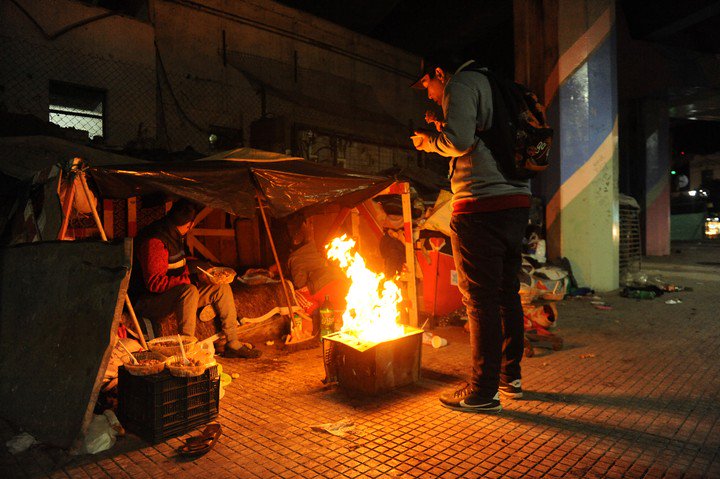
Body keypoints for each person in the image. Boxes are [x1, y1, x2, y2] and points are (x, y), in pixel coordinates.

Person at [411, 54, 530, 412]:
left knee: (479, 301)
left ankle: (482, 391)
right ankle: (511, 379)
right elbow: (482, 133)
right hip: (517, 202)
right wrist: (442, 121)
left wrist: (429, 141)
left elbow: (460, 142)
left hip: (481, 205)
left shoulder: (460, 84)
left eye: (428, 87)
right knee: (507, 294)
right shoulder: (495, 83)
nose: (430, 95)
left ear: (439, 73)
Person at [130, 198, 259, 358]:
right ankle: (187, 350)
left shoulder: (175, 234)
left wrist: (203, 272)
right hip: (148, 301)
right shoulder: (156, 241)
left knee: (221, 287)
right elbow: (154, 283)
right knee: (189, 290)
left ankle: (232, 343)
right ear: (189, 224)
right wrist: (190, 280)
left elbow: (178, 265)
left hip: (171, 294)